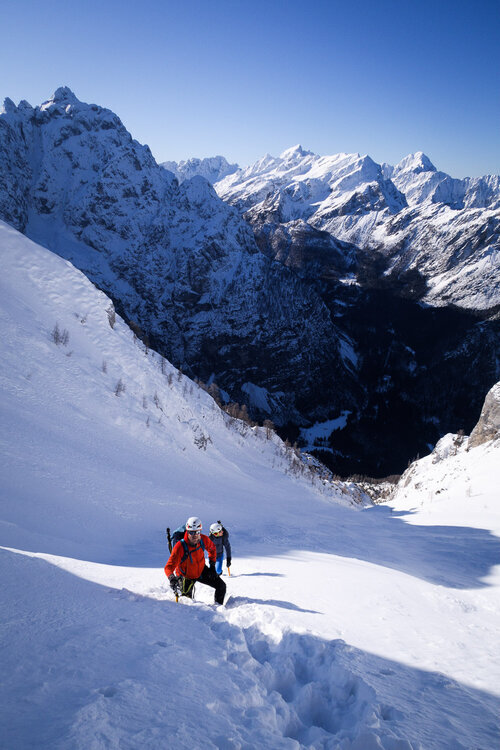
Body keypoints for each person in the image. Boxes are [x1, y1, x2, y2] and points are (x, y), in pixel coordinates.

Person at [164, 516, 226, 605]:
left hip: (201, 571)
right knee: (187, 603)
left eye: (197, 532)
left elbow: (212, 549)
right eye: (191, 532)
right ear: (187, 531)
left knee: (221, 586)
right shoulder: (180, 546)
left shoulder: (203, 539)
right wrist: (172, 578)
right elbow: (169, 567)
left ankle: (219, 608)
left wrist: (212, 566)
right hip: (186, 576)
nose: (195, 535)